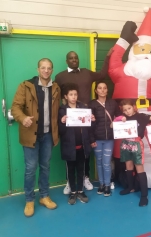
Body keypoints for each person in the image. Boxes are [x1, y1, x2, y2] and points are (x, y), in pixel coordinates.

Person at [108, 9, 151, 181]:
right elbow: (113, 62)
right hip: (125, 116)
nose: (147, 53)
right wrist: (124, 40)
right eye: (143, 48)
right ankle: (124, 173)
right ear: (134, 50)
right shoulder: (123, 70)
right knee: (125, 145)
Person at [55, 49, 112, 193]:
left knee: (86, 149)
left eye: (76, 58)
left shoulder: (86, 72)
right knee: (70, 149)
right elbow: (54, 95)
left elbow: (102, 74)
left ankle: (85, 177)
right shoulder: (60, 76)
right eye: (71, 58)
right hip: (69, 119)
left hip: (85, 119)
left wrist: (107, 56)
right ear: (67, 61)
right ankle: (70, 181)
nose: (74, 60)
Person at [11, 58, 61, 217]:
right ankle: (29, 200)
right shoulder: (25, 86)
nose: (46, 71)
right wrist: (22, 118)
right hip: (30, 135)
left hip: (48, 135)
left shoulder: (56, 88)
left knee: (45, 166)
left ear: (52, 70)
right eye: (43, 68)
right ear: (38, 69)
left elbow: (58, 110)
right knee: (30, 169)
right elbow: (15, 107)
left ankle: (44, 196)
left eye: (49, 68)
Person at [114, 99, 151, 206]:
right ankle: (130, 187)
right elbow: (113, 125)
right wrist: (119, 118)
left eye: (129, 108)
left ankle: (144, 195)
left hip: (137, 144)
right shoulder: (123, 118)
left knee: (139, 168)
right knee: (128, 166)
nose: (127, 111)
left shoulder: (141, 116)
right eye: (125, 110)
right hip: (125, 143)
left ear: (134, 107)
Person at [58, 83, 92, 205]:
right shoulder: (62, 110)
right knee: (71, 170)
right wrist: (62, 122)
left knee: (81, 169)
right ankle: (73, 192)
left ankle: (80, 191)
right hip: (69, 147)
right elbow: (60, 132)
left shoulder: (83, 108)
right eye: (71, 95)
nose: (73, 97)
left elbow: (88, 128)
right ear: (66, 96)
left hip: (82, 146)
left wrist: (91, 119)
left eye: (75, 94)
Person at [88, 81, 121, 196]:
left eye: (104, 88)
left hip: (109, 139)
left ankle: (107, 184)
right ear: (96, 91)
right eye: (100, 88)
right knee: (99, 162)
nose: (102, 90)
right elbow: (89, 124)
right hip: (97, 139)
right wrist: (91, 140)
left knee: (106, 163)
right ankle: (101, 184)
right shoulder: (92, 104)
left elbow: (120, 116)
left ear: (107, 90)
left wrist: (116, 123)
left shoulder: (113, 103)